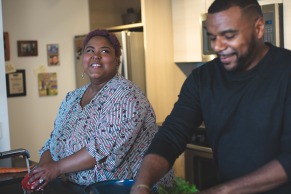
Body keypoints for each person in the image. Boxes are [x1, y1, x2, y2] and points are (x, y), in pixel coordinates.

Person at [131, 0, 291, 193]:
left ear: (258, 28)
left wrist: (221, 191)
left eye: (229, 36)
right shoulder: (202, 79)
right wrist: (141, 184)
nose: (218, 46)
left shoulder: (286, 71)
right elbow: (171, 135)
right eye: (212, 37)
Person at [27, 29, 174, 192]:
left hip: (131, 190)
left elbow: (99, 150)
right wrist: (42, 170)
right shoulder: (72, 98)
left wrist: (55, 168)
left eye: (104, 51)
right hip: (83, 188)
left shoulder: (127, 96)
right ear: (83, 58)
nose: (95, 56)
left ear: (117, 60)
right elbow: (54, 140)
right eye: (90, 51)